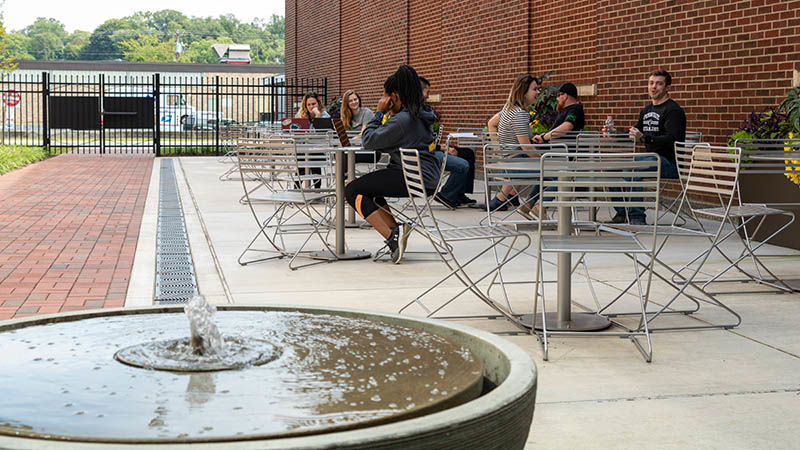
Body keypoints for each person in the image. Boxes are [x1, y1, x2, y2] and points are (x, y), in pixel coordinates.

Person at [344, 65, 440, 264]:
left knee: (353, 190)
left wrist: (378, 114)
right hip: (425, 176)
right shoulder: (420, 114)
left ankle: (391, 237)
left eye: (385, 95)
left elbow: (369, 141)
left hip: (412, 176)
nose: (383, 99)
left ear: (394, 97)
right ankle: (396, 233)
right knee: (372, 189)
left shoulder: (402, 120)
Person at [610, 69, 685, 225]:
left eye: (659, 84)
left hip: (670, 163)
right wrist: (613, 135)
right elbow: (634, 132)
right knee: (613, 168)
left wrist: (645, 138)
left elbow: (673, 139)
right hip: (650, 160)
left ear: (667, 88)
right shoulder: (647, 110)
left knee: (634, 167)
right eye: (651, 83)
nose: (654, 87)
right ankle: (623, 213)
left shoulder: (673, 111)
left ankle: (637, 217)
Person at [481, 74, 540, 213]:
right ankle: (532, 205)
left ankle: (511, 197)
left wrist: (498, 151)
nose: (538, 92)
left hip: (509, 161)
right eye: (535, 89)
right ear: (523, 92)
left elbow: (491, 123)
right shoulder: (519, 114)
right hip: (515, 164)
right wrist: (542, 157)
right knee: (554, 173)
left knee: (548, 167)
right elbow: (525, 147)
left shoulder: (509, 109)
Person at [418, 76, 477, 208]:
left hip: (432, 149)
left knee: (467, 153)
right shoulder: (417, 113)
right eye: (426, 92)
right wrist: (442, 148)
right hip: (427, 155)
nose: (428, 96)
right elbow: (423, 144)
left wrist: (442, 146)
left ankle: (459, 193)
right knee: (463, 165)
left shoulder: (424, 109)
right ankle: (446, 194)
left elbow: (428, 141)